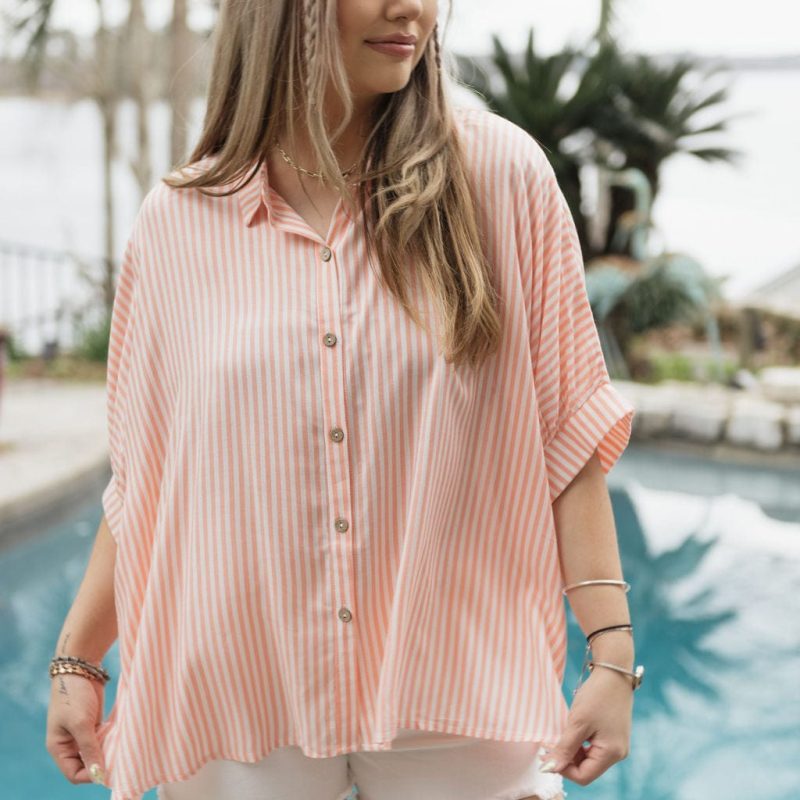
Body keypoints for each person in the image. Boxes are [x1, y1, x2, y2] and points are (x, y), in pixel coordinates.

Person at [46, 0, 643, 798]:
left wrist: (612, 656)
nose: (413, 9)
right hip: (244, 700)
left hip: (458, 694)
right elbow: (150, 484)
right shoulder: (177, 223)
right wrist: (79, 659)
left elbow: (568, 441)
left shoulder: (503, 179)